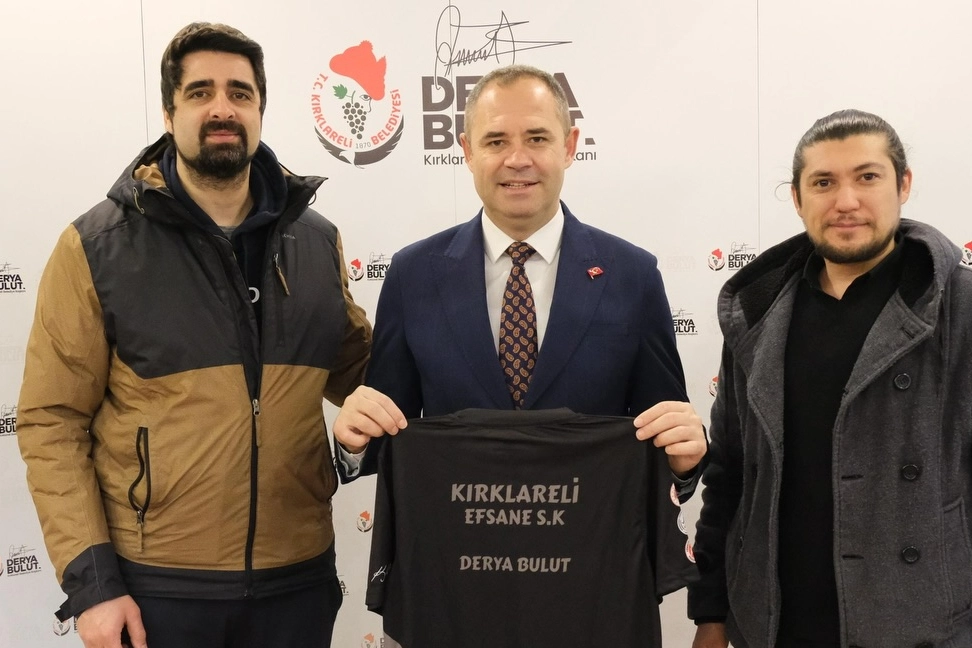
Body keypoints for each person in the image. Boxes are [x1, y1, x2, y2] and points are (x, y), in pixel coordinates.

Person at [17, 22, 371, 648]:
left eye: (240, 93)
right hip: (157, 589)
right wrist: (93, 586)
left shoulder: (316, 241)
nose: (222, 108)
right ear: (168, 112)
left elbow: (361, 374)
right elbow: (51, 421)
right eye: (200, 92)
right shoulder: (95, 248)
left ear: (260, 110)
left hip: (299, 581)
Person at [331, 64, 707, 641]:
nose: (517, 159)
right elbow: (392, 434)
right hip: (455, 597)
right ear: (466, 151)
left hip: (592, 600)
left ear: (570, 146)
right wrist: (354, 444)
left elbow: (663, 435)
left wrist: (686, 461)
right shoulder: (413, 275)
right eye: (495, 141)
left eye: (536, 138)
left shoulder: (632, 275)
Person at [689, 109, 972, 648]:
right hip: (771, 627)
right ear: (798, 198)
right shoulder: (755, 314)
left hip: (920, 627)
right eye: (823, 183)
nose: (846, 201)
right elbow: (730, 477)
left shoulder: (959, 308)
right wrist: (711, 613)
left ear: (903, 185)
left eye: (867, 177)